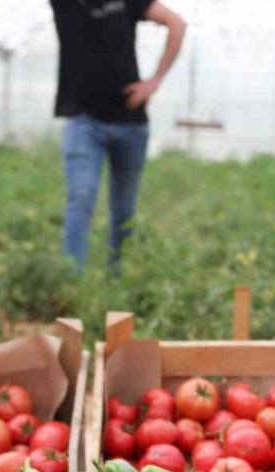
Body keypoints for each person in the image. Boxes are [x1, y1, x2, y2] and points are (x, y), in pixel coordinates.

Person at [50, 0, 186, 271]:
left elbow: (176, 23)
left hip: (130, 122)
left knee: (124, 211)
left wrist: (154, 81)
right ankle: (70, 283)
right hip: (84, 120)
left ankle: (119, 280)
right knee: (80, 198)